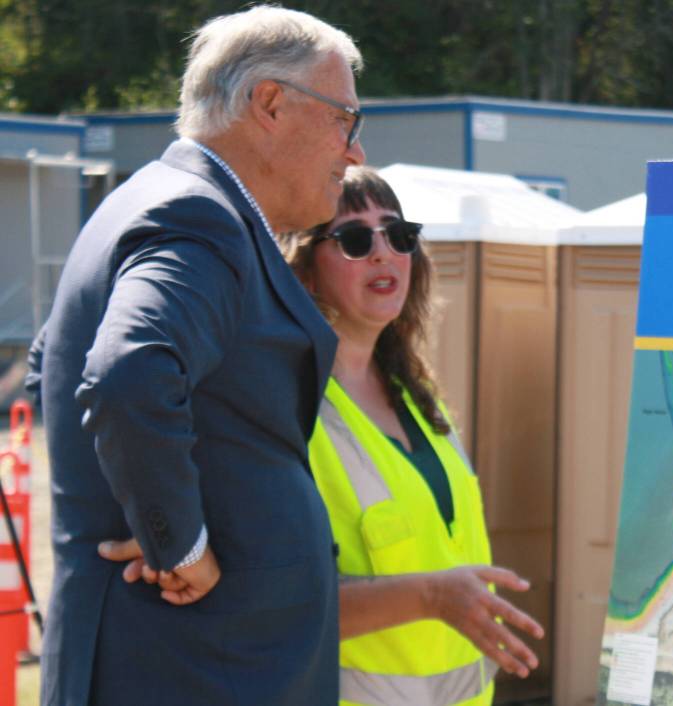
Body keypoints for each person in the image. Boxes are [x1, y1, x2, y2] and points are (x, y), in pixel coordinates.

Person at [25, 6, 365, 705]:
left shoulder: (156, 202)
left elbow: (47, 364)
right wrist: (175, 543)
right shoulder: (197, 216)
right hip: (194, 665)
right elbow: (126, 376)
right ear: (270, 103)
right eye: (345, 121)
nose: (354, 151)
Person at [276, 166, 544, 705]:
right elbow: (278, 607)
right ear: (304, 272)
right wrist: (432, 597)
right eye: (354, 239)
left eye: (398, 236)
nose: (383, 253)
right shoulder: (286, 412)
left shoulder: (418, 396)